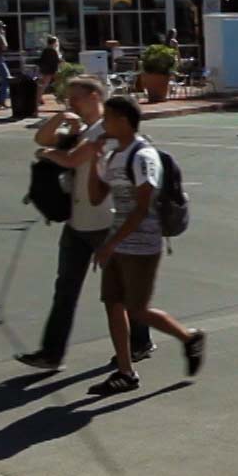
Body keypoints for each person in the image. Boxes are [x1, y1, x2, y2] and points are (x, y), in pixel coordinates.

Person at [16, 77, 155, 372]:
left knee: (122, 290)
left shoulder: (109, 129)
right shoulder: (82, 129)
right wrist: (58, 119)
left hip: (106, 221)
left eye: (75, 98)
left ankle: (140, 342)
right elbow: (41, 139)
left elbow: (69, 159)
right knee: (65, 288)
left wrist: (49, 154)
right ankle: (52, 353)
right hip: (78, 222)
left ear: (94, 96)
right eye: (67, 99)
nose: (71, 103)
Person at [86, 95, 205, 395]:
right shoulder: (115, 157)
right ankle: (125, 372)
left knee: (137, 310)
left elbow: (142, 207)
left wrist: (110, 244)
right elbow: (96, 197)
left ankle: (189, 338)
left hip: (141, 246)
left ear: (124, 121)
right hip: (117, 243)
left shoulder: (143, 156)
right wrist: (93, 160)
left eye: (108, 119)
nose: (104, 125)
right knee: (113, 305)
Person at [36, 36, 62, 102]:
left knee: (43, 84)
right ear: (54, 43)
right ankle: (38, 98)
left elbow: (41, 60)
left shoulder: (46, 50)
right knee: (47, 84)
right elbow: (56, 61)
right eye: (56, 42)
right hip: (50, 70)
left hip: (45, 69)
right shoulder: (53, 50)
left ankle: (38, 97)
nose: (57, 43)